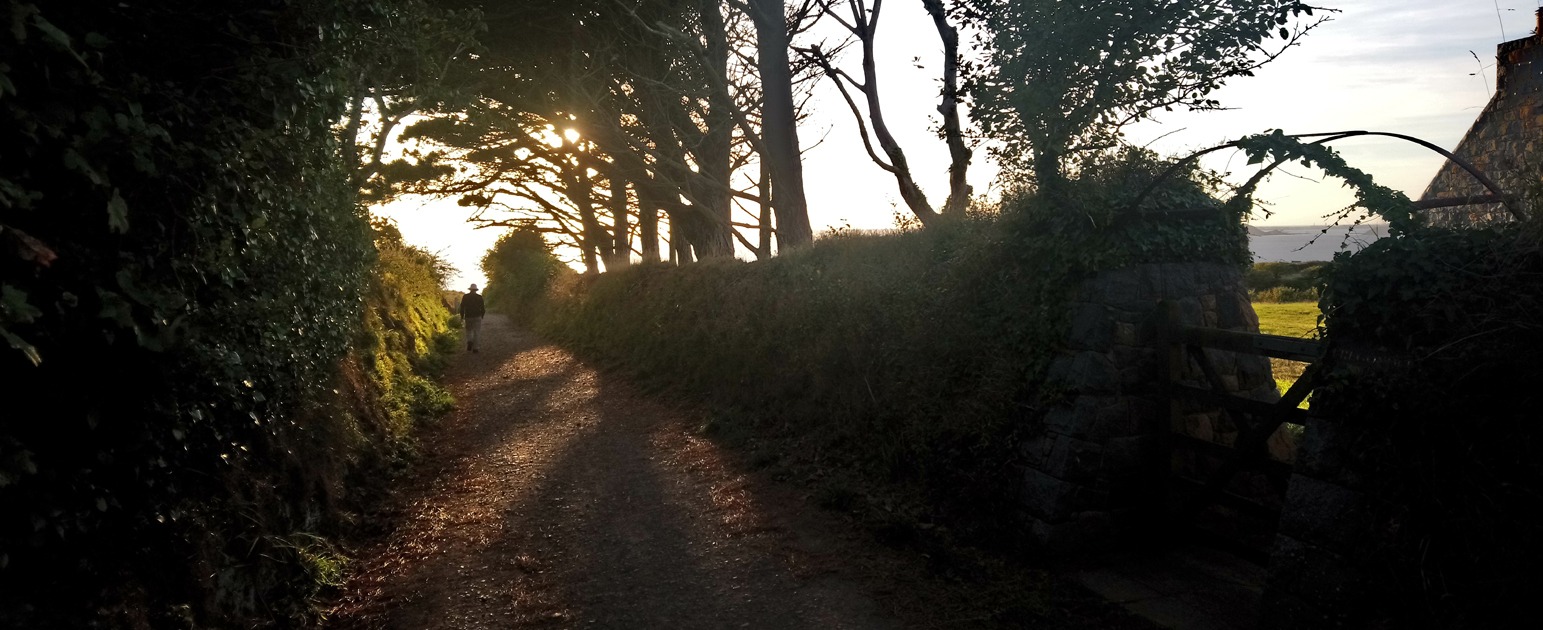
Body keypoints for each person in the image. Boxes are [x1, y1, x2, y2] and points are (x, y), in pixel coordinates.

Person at [459, 283, 486, 352]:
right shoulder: (479, 297)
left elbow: (462, 307)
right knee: (477, 332)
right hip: (477, 316)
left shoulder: (465, 296)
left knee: (469, 330)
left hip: (468, 316)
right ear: (476, 290)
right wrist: (482, 315)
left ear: (470, 289)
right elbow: (482, 308)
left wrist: (462, 316)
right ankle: (475, 348)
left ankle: (470, 341)